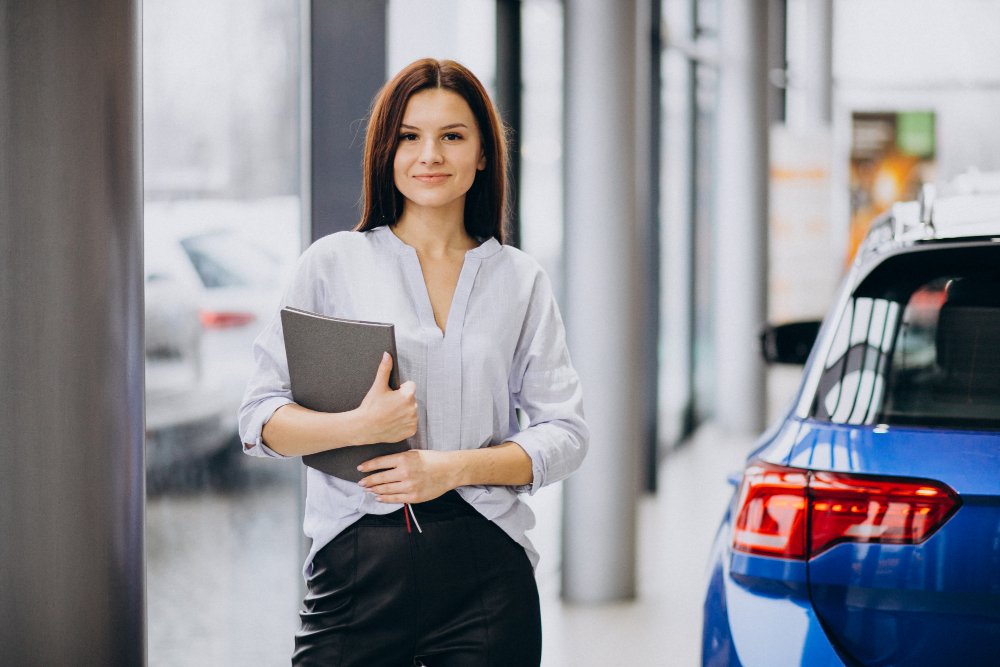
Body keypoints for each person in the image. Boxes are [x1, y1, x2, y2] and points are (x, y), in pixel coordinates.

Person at [238, 58, 588, 667]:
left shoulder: (519, 279)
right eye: (409, 136)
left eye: (452, 136)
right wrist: (357, 429)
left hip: (487, 575)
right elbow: (258, 418)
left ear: (482, 154)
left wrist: (447, 468)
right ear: (386, 150)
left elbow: (567, 433)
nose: (430, 154)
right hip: (355, 570)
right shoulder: (332, 264)